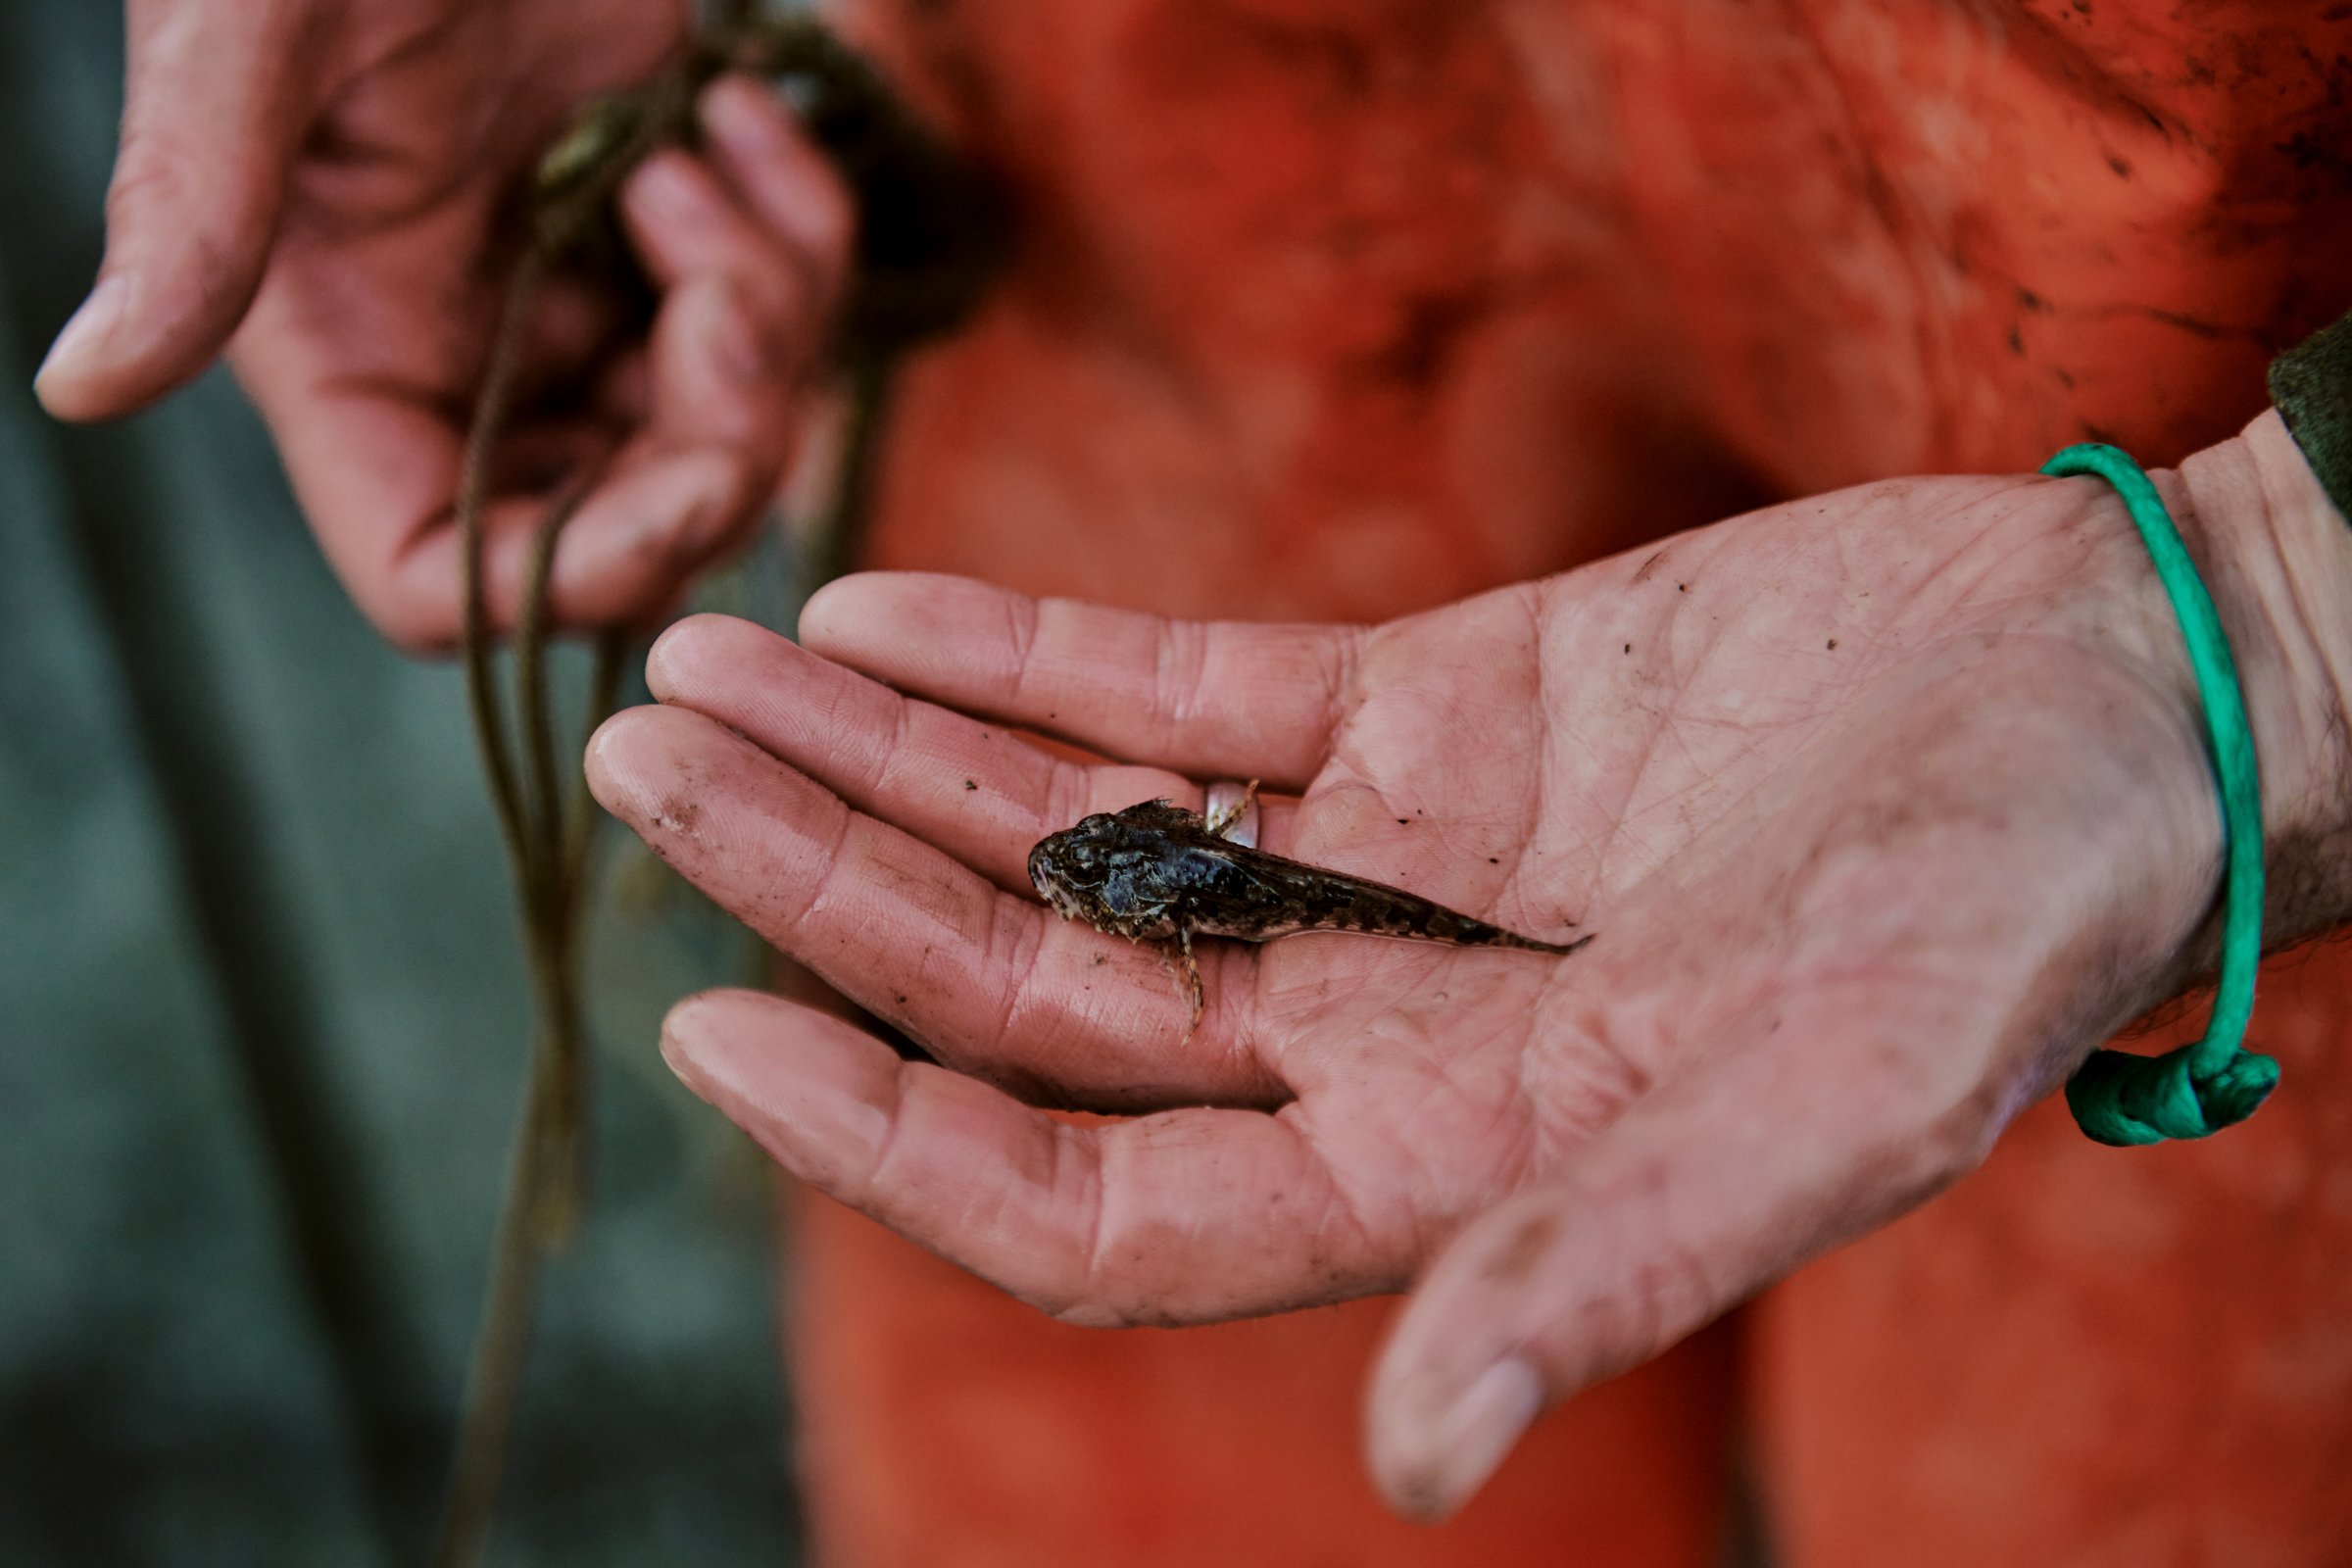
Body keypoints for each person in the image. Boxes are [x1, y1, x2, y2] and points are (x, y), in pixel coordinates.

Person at [44, 2, 2352, 1563]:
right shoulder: (1172, 849)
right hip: (1158, 135)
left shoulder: (1199, 872)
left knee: (2083, 1420)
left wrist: (2283, 604)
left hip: (2199, 277)